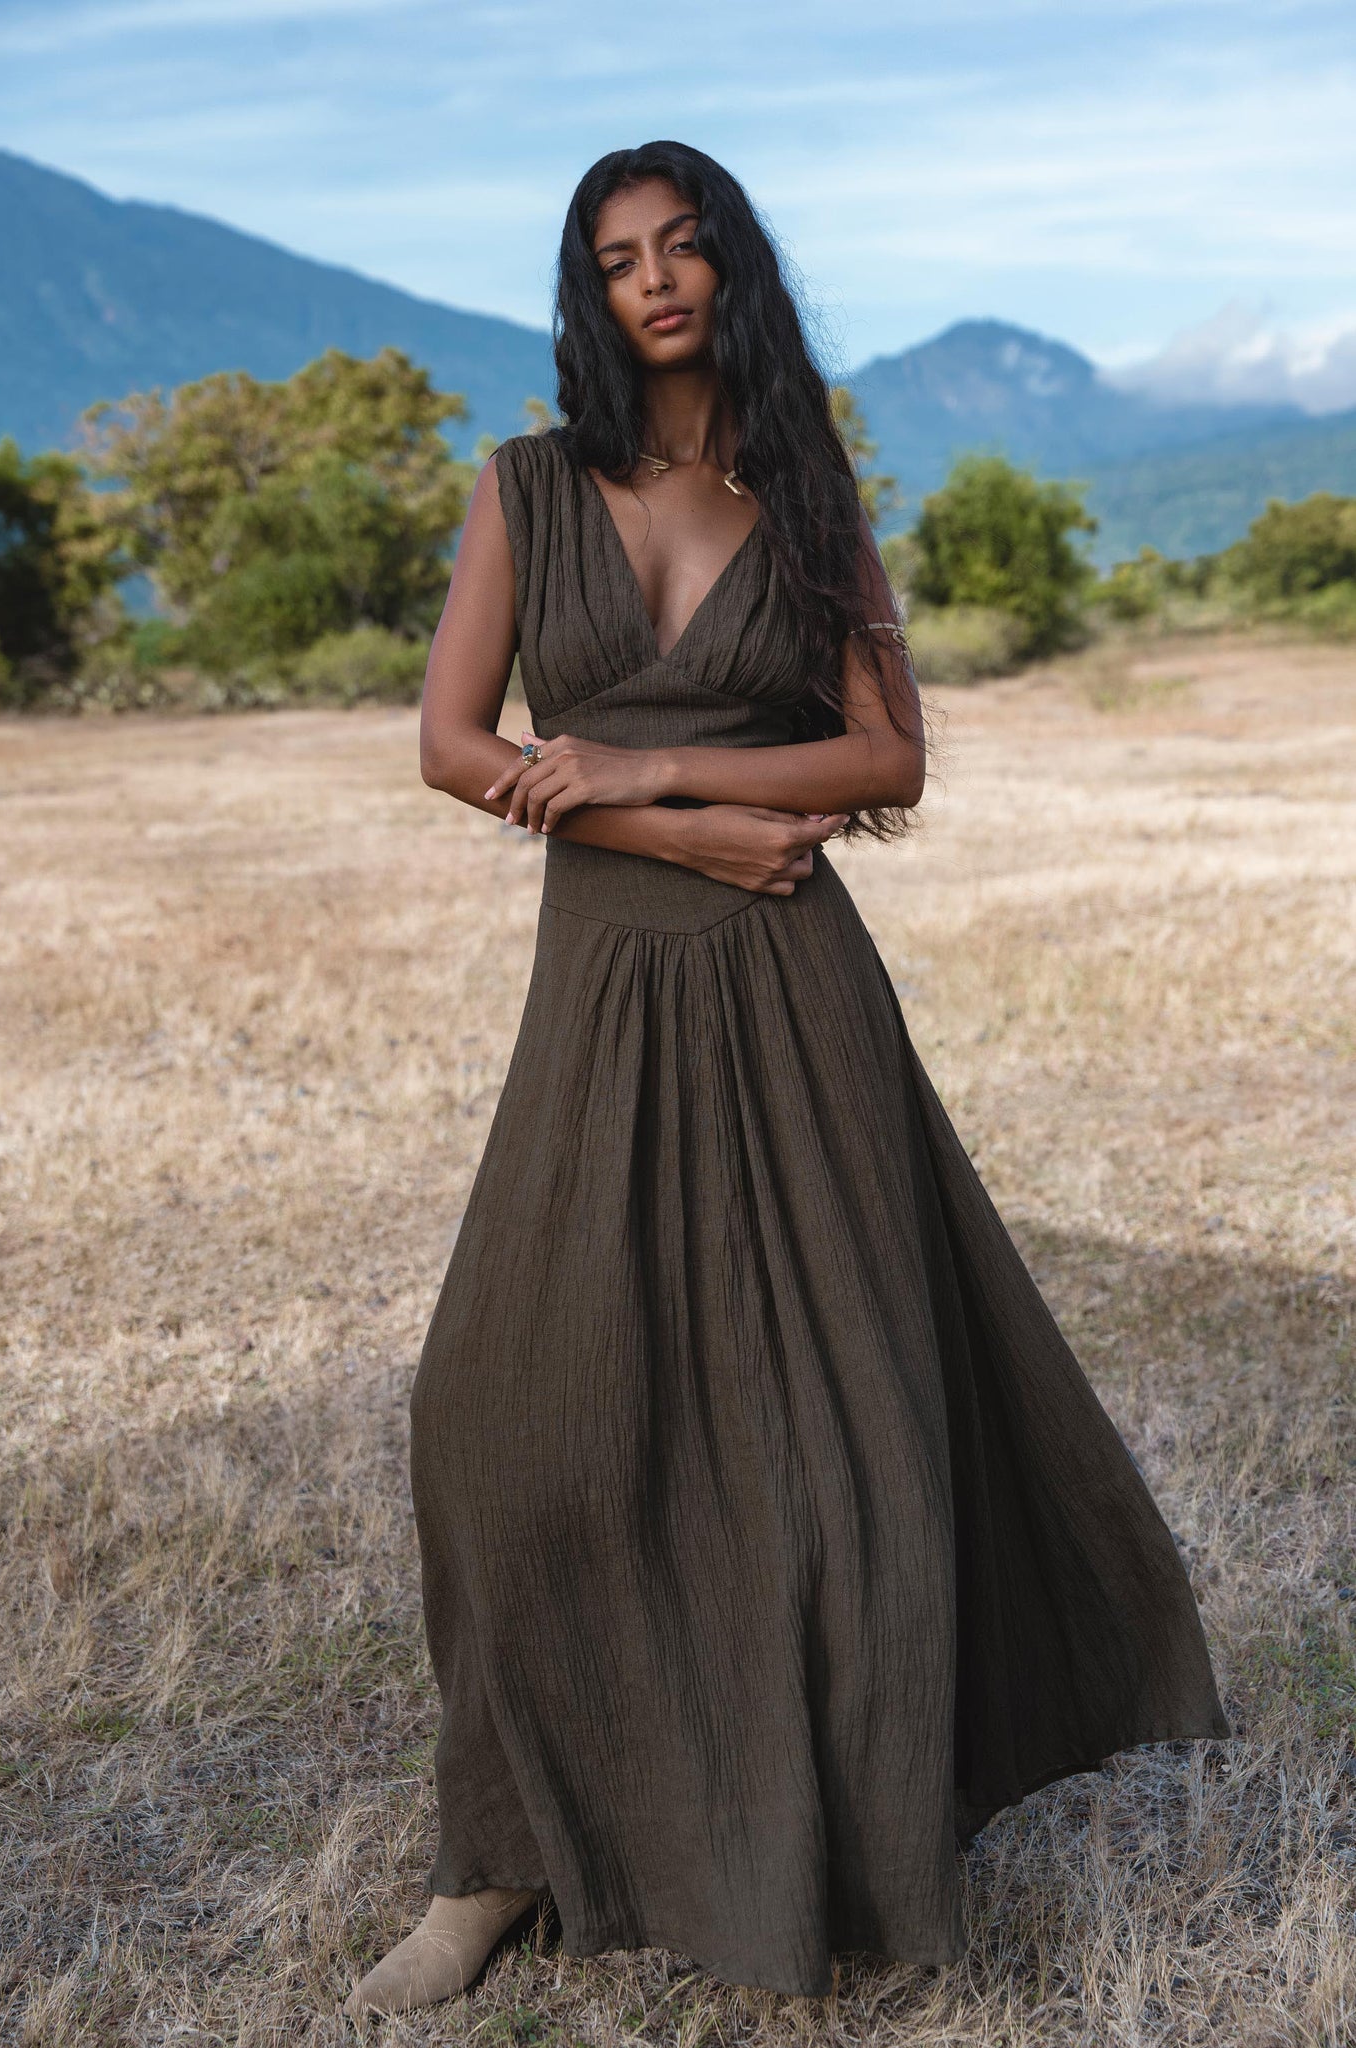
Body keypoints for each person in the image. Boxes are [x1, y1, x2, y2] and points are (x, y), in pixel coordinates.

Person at [346, 140, 1229, 2020]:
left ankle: (830, 1838)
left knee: (836, 1435)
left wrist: (657, 771)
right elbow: (448, 742)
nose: (653, 280)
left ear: (730, 268)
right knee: (497, 1415)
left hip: (794, 987)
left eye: (682, 248)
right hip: (605, 978)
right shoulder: (525, 484)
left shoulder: (810, 493)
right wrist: (661, 830)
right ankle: (497, 1857)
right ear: (587, 295)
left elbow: (886, 759)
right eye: (616, 260)